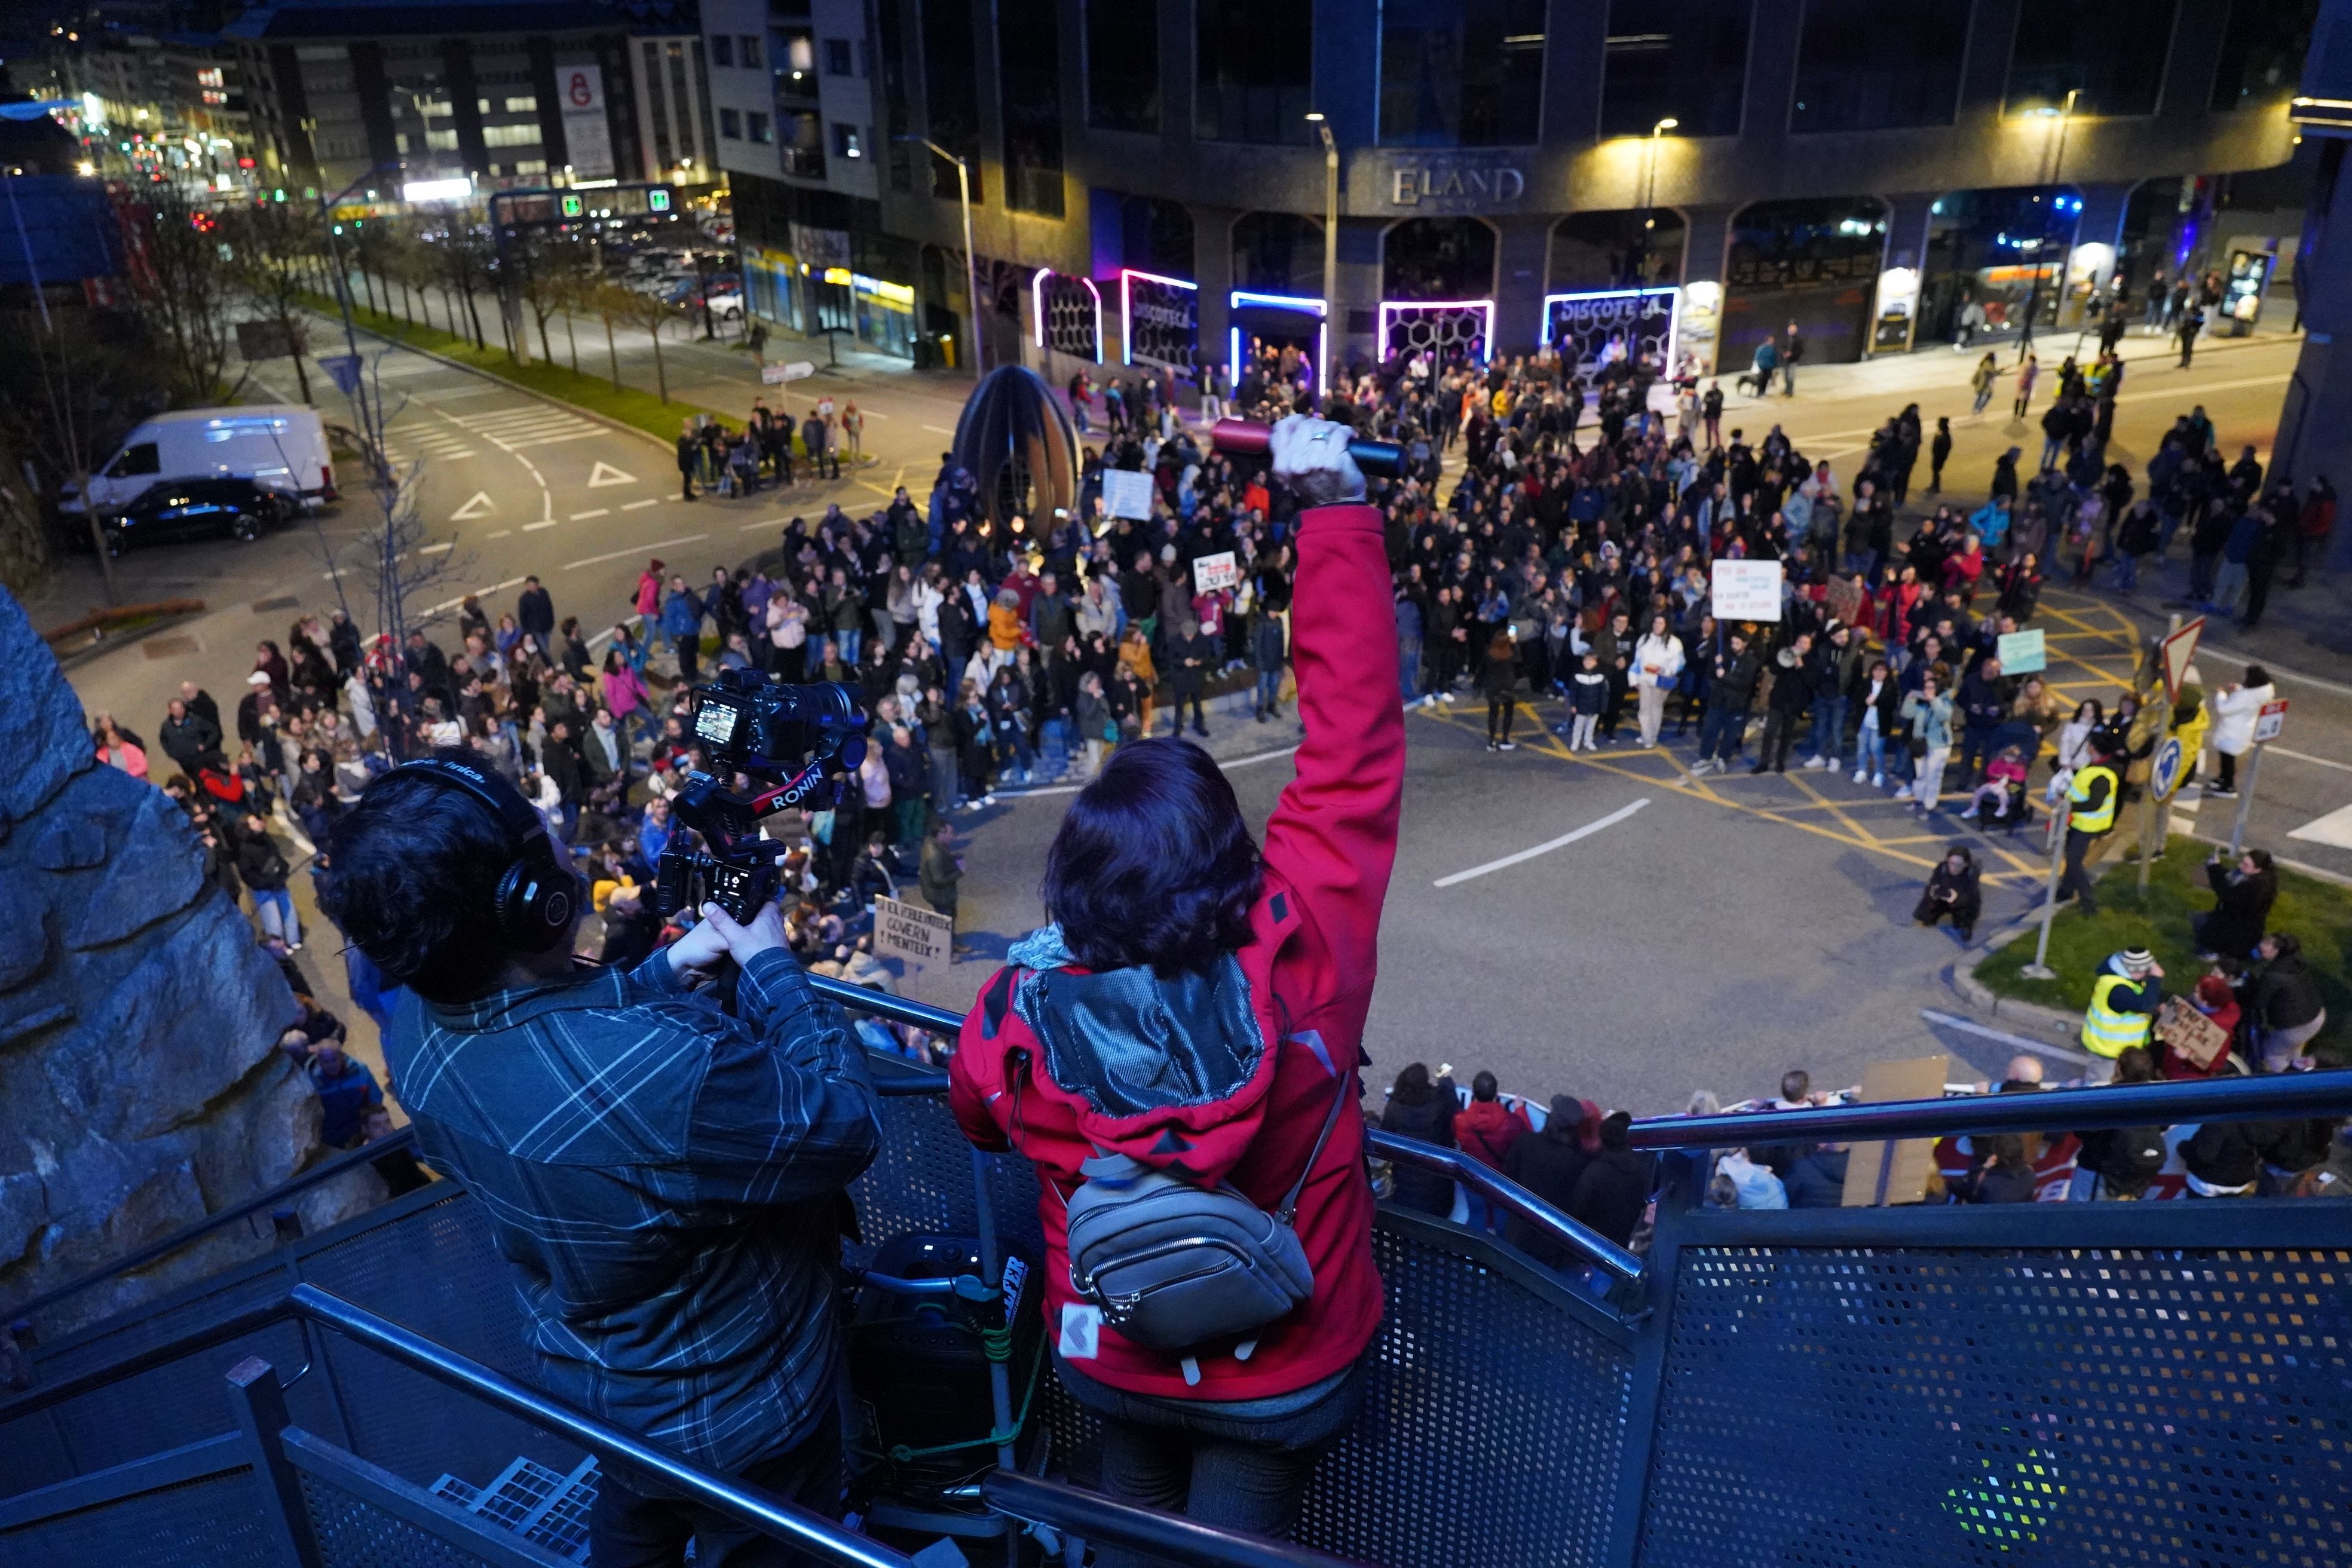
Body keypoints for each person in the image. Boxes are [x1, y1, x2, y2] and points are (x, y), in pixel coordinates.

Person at [944, 414, 1401, 1559]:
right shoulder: (1304, 949)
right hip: (1284, 1360)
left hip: (1112, 1342)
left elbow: (974, 1112)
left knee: (1127, 1528)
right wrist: (1334, 511)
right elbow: (1350, 749)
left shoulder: (1018, 1010)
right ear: (1229, 854)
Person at [322, 755, 881, 1567]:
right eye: (545, 850)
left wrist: (658, 975)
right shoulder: (668, 1081)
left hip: (602, 1393)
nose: (566, 854)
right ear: (534, 903)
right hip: (744, 1414)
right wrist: (770, 964)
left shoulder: (413, 1032)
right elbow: (846, 1123)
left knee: (637, 1512)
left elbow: (554, 1052)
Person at [1500, 1097, 1597, 1266]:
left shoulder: (1526, 1142)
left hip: (1520, 1229)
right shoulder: (1580, 1162)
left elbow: (1508, 1175)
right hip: (1553, 1239)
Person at [1453, 1071, 1530, 1235]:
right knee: (1502, 1216)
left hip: (1472, 1176)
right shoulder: (1512, 1123)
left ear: (1473, 1094)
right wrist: (1520, 1109)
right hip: (1500, 1178)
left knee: (1476, 1214)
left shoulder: (1460, 1120)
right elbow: (1527, 1137)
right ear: (1496, 1095)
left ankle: (1475, 1250)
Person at [1567, 1112, 1653, 1247]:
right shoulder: (1646, 1167)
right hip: (1625, 1239)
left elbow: (1577, 1209)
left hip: (1594, 1240)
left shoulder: (1595, 1172)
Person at [2080, 947, 2164, 1084]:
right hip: (2107, 1054)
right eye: (2146, 970)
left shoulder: (2126, 979)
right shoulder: (2118, 990)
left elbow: (2142, 1001)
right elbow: (2145, 1005)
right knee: (2099, 1090)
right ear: (2134, 970)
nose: (2148, 974)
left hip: (2123, 1054)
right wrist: (2155, 979)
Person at [2057, 738, 2122, 914]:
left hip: (2087, 825)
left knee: (2074, 861)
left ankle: (2088, 902)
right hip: (2079, 822)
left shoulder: (2102, 776)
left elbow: (2094, 803)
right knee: (2070, 856)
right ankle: (2066, 890)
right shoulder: (2095, 766)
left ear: (2093, 748)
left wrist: (2069, 806)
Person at [2246, 932, 2327, 1072]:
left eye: (2267, 945)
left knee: (2273, 1056)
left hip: (2296, 1027)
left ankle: (2288, 1082)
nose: (2261, 945)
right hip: (2316, 1016)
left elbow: (2259, 1002)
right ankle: (2298, 1065)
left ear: (2277, 951)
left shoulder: (2273, 976)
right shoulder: (2297, 963)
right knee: (2292, 1048)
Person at [2194, 847, 2277, 960]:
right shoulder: (2256, 880)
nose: (2240, 866)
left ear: (2258, 870)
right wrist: (2217, 867)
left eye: (2246, 865)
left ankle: (2216, 953)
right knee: (2200, 920)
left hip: (2239, 933)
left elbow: (2226, 893)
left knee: (2200, 923)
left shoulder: (2254, 888)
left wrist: (2214, 868)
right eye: (2243, 862)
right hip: (2243, 928)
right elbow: (2228, 881)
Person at [2206, 665, 2275, 798]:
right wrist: (2239, 689)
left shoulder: (2246, 696)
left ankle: (2228, 786)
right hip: (2242, 730)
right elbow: (2246, 699)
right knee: (2227, 757)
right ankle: (2223, 779)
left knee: (2227, 758)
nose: (2243, 677)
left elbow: (2224, 710)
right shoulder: (2259, 694)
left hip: (2232, 731)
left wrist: (2221, 695)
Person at [305, 1039, 384, 1149]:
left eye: (334, 1060)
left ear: (342, 1056)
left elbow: (375, 1097)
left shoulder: (360, 1071)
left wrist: (371, 1125)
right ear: (319, 1061)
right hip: (336, 1133)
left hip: (363, 1123)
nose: (331, 1065)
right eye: (325, 1061)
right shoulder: (312, 1084)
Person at [1913, 845, 1982, 942]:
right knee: (1926, 912)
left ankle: (1966, 925)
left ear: (1966, 864)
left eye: (1958, 865)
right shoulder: (1942, 867)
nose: (1953, 867)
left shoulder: (1971, 874)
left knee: (1966, 912)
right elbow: (1933, 882)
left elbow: (1969, 896)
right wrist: (1933, 892)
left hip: (1960, 901)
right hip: (1945, 897)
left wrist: (1956, 899)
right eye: (1951, 863)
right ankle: (1933, 916)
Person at [919, 819, 967, 956]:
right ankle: (946, 953)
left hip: (938, 893)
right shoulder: (935, 855)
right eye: (950, 833)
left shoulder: (933, 843)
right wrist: (959, 872)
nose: (953, 836)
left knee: (949, 918)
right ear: (940, 834)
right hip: (940, 894)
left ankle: (951, 943)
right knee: (945, 922)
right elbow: (939, 879)